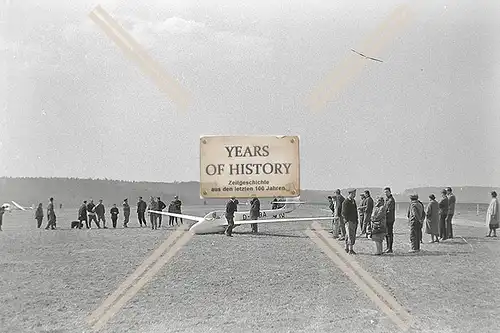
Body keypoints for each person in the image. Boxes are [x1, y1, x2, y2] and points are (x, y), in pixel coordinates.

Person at [342, 188, 358, 254]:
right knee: (350, 235)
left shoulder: (353, 201)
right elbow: (344, 213)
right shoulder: (346, 202)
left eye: (355, 194)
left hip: (354, 221)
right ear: (350, 193)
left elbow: (355, 211)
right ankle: (350, 249)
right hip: (349, 221)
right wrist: (347, 221)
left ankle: (346, 248)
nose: (354, 195)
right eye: (353, 194)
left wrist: (356, 220)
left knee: (349, 235)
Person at [384, 187, 396, 253]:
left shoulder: (391, 200)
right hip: (387, 218)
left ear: (390, 192)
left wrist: (383, 213)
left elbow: (389, 210)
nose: (386, 193)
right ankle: (388, 247)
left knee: (389, 233)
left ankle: (390, 248)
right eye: (385, 192)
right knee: (387, 233)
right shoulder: (387, 199)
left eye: (387, 192)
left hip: (390, 219)